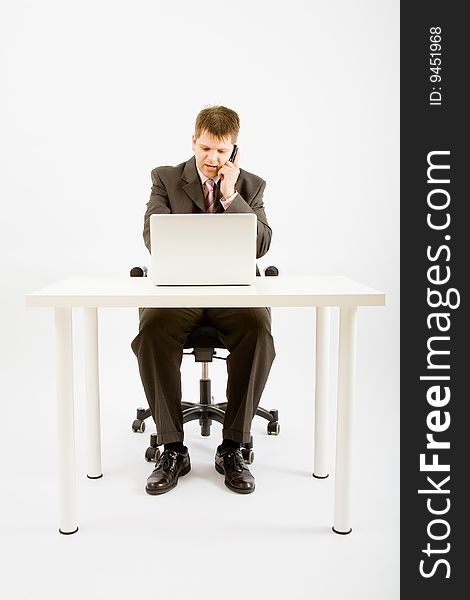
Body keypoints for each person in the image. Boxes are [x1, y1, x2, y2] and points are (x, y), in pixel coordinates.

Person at [131, 105, 275, 496]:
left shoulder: (250, 185)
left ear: (235, 150)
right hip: (179, 291)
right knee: (152, 329)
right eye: (206, 148)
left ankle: (233, 447)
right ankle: (172, 447)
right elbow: (152, 236)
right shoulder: (165, 179)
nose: (213, 160)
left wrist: (230, 196)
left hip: (232, 292)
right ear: (193, 141)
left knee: (259, 329)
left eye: (222, 151)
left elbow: (260, 246)